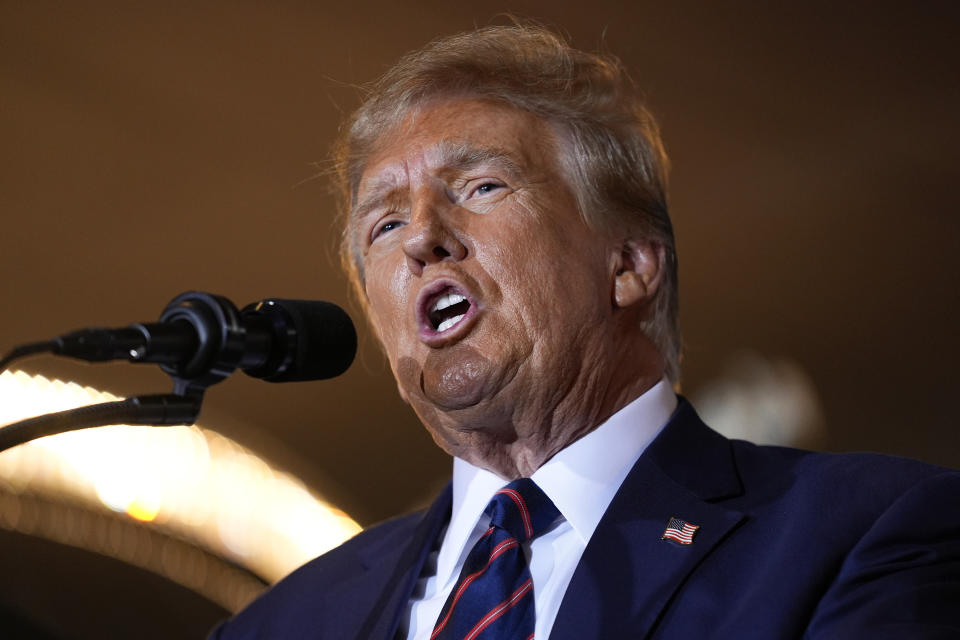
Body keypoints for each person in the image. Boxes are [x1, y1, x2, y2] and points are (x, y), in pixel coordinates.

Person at [210, 24, 960, 639]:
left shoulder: (866, 534)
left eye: (481, 187)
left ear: (630, 264)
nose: (421, 239)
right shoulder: (278, 624)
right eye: (385, 222)